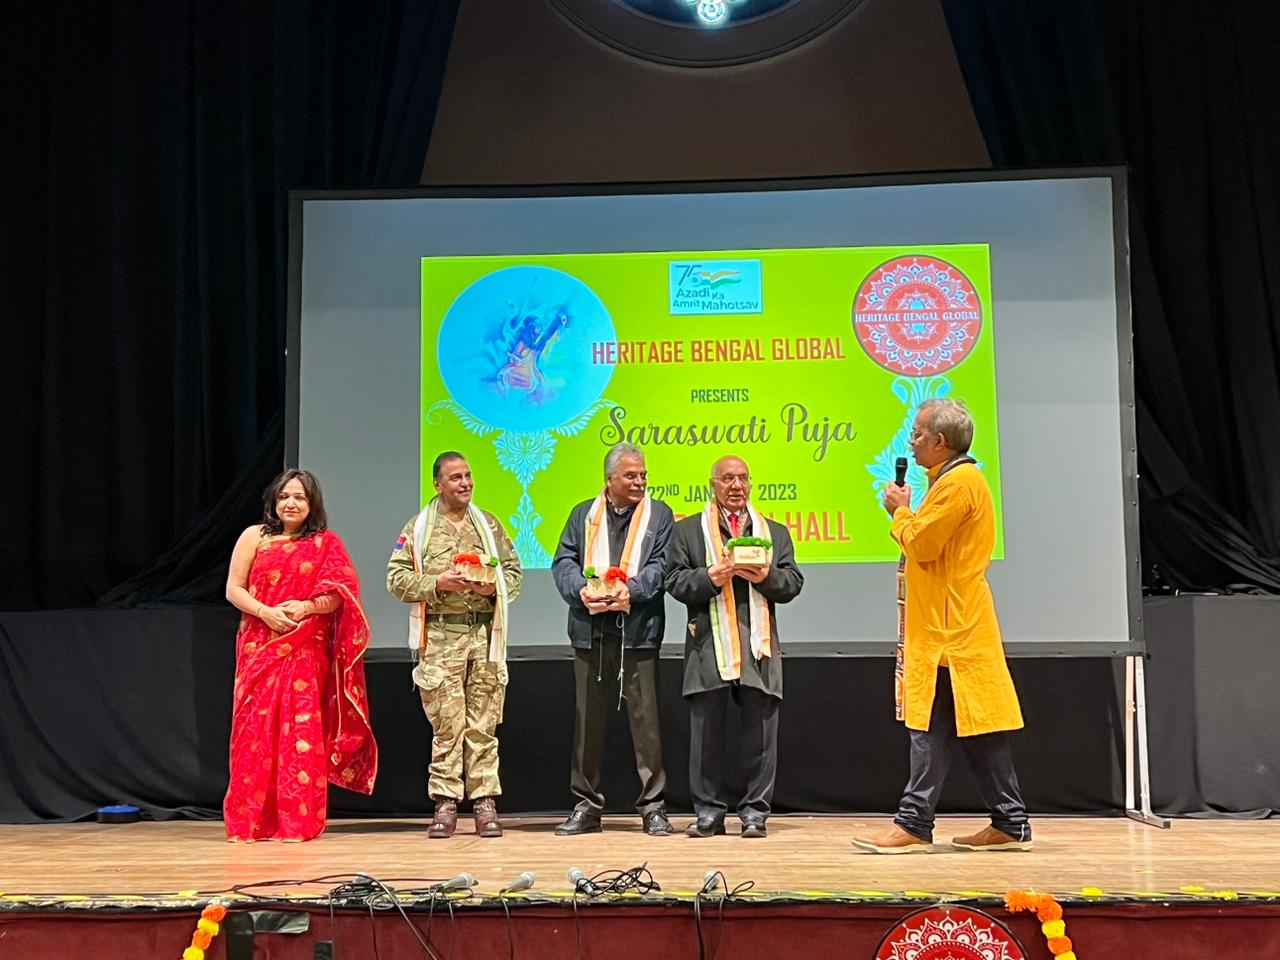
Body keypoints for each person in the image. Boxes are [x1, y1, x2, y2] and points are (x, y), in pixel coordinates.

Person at [852, 398, 1032, 854]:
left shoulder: (957, 484)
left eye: (916, 434)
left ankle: (914, 823)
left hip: (950, 632)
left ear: (939, 441)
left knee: (930, 728)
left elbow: (923, 544)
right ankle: (1010, 822)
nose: (910, 441)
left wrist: (899, 510)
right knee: (979, 732)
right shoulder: (951, 481)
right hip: (953, 627)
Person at [223, 469, 377, 842]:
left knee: (301, 731)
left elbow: (340, 594)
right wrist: (266, 613)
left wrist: (306, 607)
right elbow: (233, 589)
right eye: (284, 496)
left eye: (300, 497)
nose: (291, 503)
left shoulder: (326, 543)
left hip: (304, 648)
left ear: (312, 504)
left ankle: (297, 822)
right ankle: (251, 822)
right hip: (260, 643)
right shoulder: (254, 537)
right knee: (254, 732)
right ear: (273, 501)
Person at [666, 455, 803, 838]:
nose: (736, 486)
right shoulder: (688, 531)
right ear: (713, 485)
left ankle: (755, 813)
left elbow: (793, 582)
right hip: (709, 644)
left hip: (758, 645)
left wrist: (766, 576)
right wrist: (711, 576)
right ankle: (708, 813)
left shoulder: (774, 531)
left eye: (743, 478)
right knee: (706, 738)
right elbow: (674, 581)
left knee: (761, 736)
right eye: (727, 479)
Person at [388, 452, 522, 839]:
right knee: (448, 726)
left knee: (483, 723)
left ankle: (484, 803)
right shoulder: (419, 528)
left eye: (468, 476)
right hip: (441, 636)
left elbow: (513, 573)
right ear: (438, 485)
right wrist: (437, 583)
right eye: (455, 477)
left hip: (484, 634)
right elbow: (396, 579)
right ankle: (445, 804)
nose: (465, 483)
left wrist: (491, 587)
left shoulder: (488, 524)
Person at [551, 443, 675, 836]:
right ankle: (586, 807)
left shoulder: (660, 515)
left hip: (639, 632)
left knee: (647, 726)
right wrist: (581, 590)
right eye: (631, 475)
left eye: (643, 475)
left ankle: (653, 808)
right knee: (587, 725)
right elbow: (563, 562)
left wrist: (631, 591)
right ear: (609, 479)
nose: (640, 481)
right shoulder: (582, 515)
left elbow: (662, 564)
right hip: (590, 632)